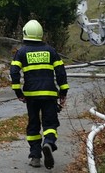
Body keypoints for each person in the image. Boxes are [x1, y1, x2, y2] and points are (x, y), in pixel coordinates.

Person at [10, 19, 69, 170]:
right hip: (49, 95)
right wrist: (63, 92)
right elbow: (61, 72)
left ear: (25, 34)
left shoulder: (21, 52)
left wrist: (18, 92)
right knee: (50, 124)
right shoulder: (51, 51)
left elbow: (14, 72)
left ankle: (35, 156)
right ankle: (48, 143)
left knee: (33, 124)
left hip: (31, 96)